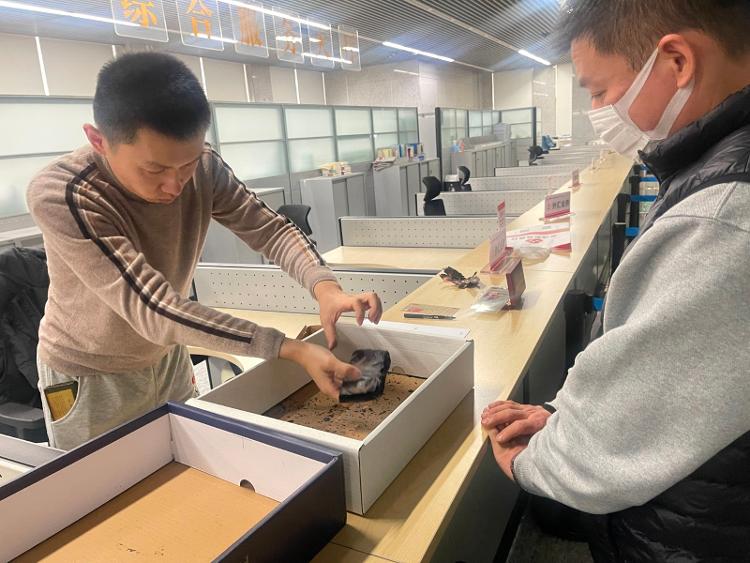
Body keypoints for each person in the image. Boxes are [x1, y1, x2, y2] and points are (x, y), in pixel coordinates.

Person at [481, 1, 750, 560]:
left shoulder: (722, 215)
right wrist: (567, 413)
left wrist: (539, 460)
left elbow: (624, 437)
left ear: (677, 61)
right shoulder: (717, 168)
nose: (598, 111)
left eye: (601, 91)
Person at [27, 52, 382, 451]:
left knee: (189, 468)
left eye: (188, 165)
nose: (175, 185)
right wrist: (288, 348)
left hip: (167, 356)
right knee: (104, 485)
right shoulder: (65, 194)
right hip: (90, 376)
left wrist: (326, 288)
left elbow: (270, 229)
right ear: (99, 141)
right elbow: (154, 309)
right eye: (155, 170)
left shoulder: (205, 166)